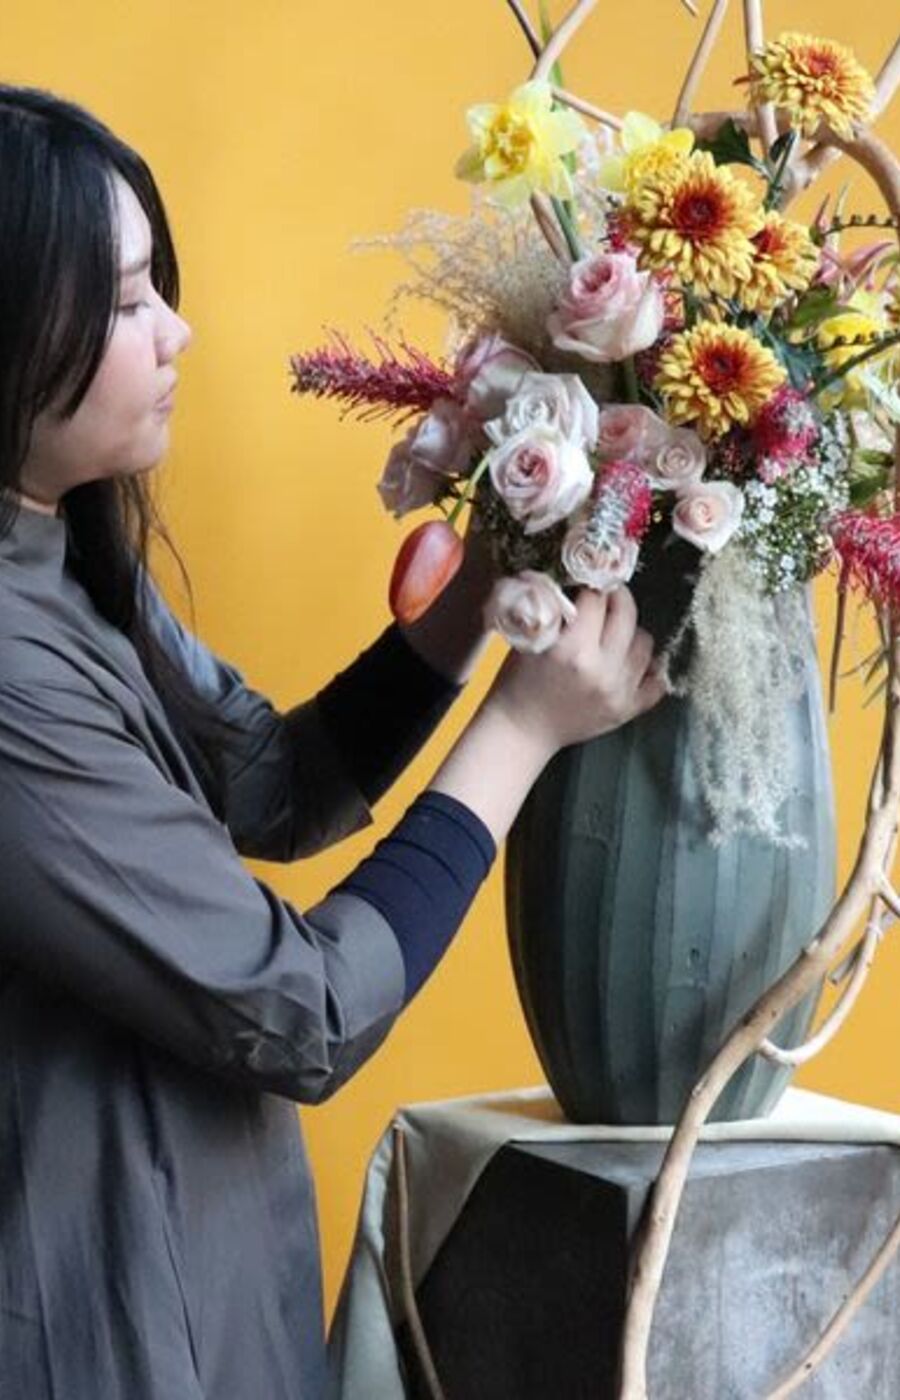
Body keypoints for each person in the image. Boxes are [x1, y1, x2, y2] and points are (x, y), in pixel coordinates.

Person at [0, 84, 665, 1400]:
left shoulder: (62, 554)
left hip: (208, 1287)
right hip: (101, 1327)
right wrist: (521, 732)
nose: (178, 331)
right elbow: (296, 1014)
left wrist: (481, 586)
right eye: (129, 301)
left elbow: (274, 781)